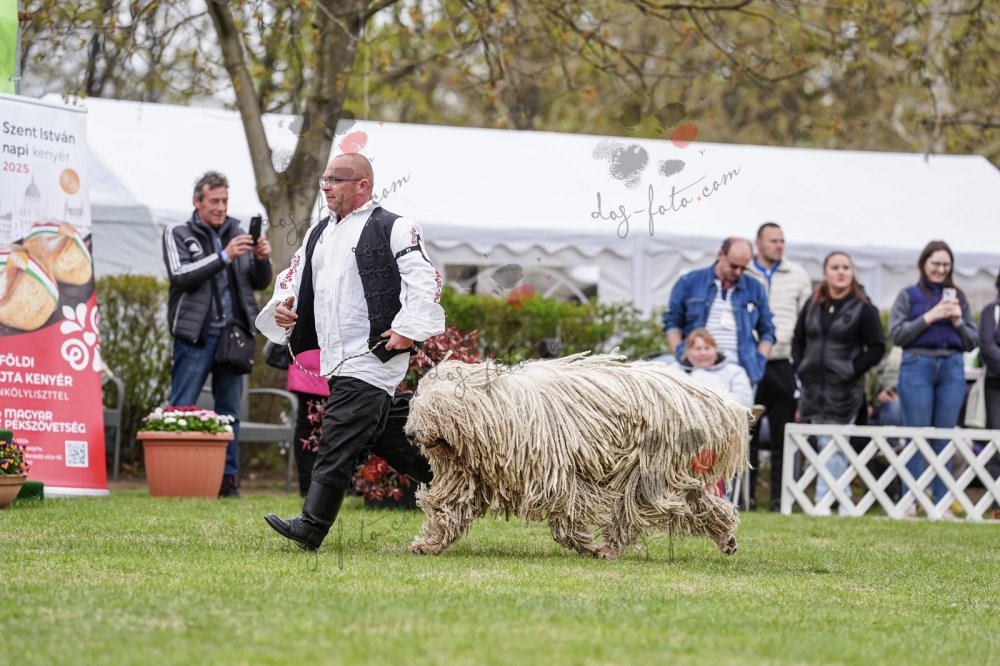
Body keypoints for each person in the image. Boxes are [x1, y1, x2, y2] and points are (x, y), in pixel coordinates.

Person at [258, 152, 445, 551]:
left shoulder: (395, 226)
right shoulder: (318, 232)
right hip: (337, 360)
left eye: (336, 179)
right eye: (324, 179)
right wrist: (283, 304)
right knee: (388, 437)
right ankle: (455, 483)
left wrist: (408, 329)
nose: (326, 187)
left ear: (363, 185)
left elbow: (425, 280)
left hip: (373, 356)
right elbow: (293, 276)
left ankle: (311, 526)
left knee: (339, 435)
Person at [163, 171, 273, 498]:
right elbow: (181, 275)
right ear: (197, 201)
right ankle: (178, 477)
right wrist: (224, 256)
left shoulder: (238, 232)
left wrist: (261, 260)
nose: (221, 207)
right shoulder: (178, 232)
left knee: (230, 414)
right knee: (181, 408)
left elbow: (258, 282)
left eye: (225, 200)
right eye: (214, 201)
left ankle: (227, 481)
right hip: (195, 337)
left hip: (233, 337)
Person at [890, 240, 978, 517]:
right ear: (923, 264)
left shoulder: (959, 297)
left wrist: (957, 322)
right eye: (936, 264)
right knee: (916, 437)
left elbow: (972, 341)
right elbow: (897, 335)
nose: (941, 269)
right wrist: (929, 316)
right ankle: (911, 501)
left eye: (946, 265)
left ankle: (941, 503)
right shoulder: (908, 296)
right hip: (918, 364)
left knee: (944, 437)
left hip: (952, 367)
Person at [792, 251, 885, 515]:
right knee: (826, 443)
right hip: (813, 388)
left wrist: (851, 370)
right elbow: (798, 339)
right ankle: (841, 499)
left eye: (846, 267)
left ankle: (826, 500)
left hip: (844, 389)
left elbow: (877, 347)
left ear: (852, 273)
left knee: (834, 442)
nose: (841, 272)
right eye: (835, 267)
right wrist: (802, 367)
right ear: (825, 272)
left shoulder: (863, 307)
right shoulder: (812, 304)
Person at [745, 222, 813, 511]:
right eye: (773, 240)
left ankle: (779, 499)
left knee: (782, 433)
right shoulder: (744, 271)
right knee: (746, 432)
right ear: (758, 243)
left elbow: (807, 318)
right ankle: (745, 497)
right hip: (750, 361)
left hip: (784, 361)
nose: (779, 245)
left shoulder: (797, 274)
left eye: (782, 240)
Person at [663, 237, 776, 386]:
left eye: (743, 268)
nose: (738, 272)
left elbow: (767, 330)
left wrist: (759, 360)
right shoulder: (689, 281)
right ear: (720, 255)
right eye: (733, 266)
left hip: (741, 371)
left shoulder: (755, 288)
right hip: (696, 370)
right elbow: (672, 322)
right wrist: (681, 353)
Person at [679, 328, 754, 408]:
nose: (703, 353)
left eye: (707, 348)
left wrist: (714, 401)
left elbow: (745, 401)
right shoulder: (676, 371)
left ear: (715, 350)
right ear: (688, 352)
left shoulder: (735, 371)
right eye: (698, 349)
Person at [976, 268, 1000, 517]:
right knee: (997, 441)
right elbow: (986, 346)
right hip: (996, 384)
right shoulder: (990, 311)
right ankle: (998, 504)